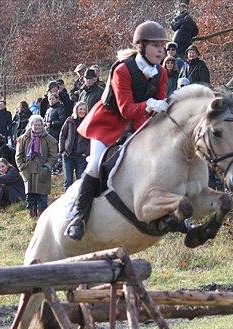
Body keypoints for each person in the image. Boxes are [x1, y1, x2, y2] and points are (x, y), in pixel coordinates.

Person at [69, 20, 169, 240]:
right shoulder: (122, 69)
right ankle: (78, 216)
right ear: (142, 46)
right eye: (156, 46)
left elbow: (160, 103)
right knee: (95, 164)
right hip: (109, 123)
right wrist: (151, 104)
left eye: (163, 46)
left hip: (140, 123)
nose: (161, 51)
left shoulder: (161, 73)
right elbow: (125, 109)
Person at [16, 115, 57, 218]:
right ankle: (32, 217)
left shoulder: (48, 139)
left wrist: (47, 166)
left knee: (42, 197)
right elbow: (18, 155)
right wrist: (22, 166)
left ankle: (43, 218)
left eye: (39, 125)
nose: (37, 127)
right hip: (28, 170)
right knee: (30, 196)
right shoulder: (24, 138)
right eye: (35, 125)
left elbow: (53, 155)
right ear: (31, 125)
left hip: (42, 170)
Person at [60, 102, 90, 190]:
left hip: (81, 156)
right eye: (80, 109)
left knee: (80, 181)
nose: (82, 111)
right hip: (68, 155)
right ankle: (67, 202)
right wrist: (62, 150)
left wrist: (86, 152)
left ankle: (78, 202)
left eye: (84, 109)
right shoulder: (70, 120)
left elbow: (91, 138)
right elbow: (62, 134)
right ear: (76, 109)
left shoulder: (88, 122)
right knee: (68, 181)